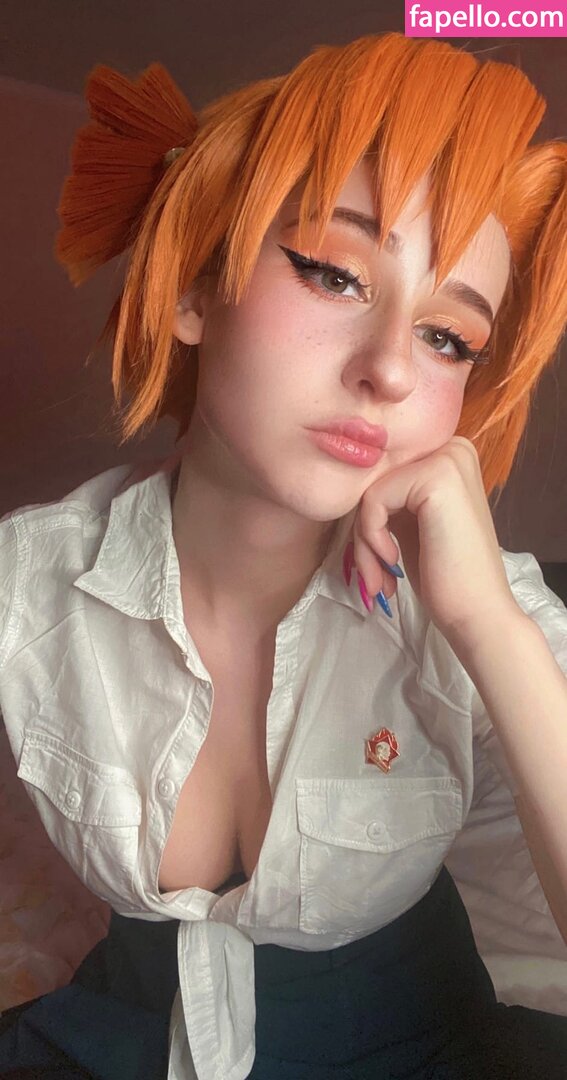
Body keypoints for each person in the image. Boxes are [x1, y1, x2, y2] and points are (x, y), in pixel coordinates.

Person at [1, 29, 567, 1080]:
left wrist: (488, 628)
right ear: (194, 288)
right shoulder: (27, 585)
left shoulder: (488, 613)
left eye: (448, 338)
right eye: (335, 274)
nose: (391, 369)